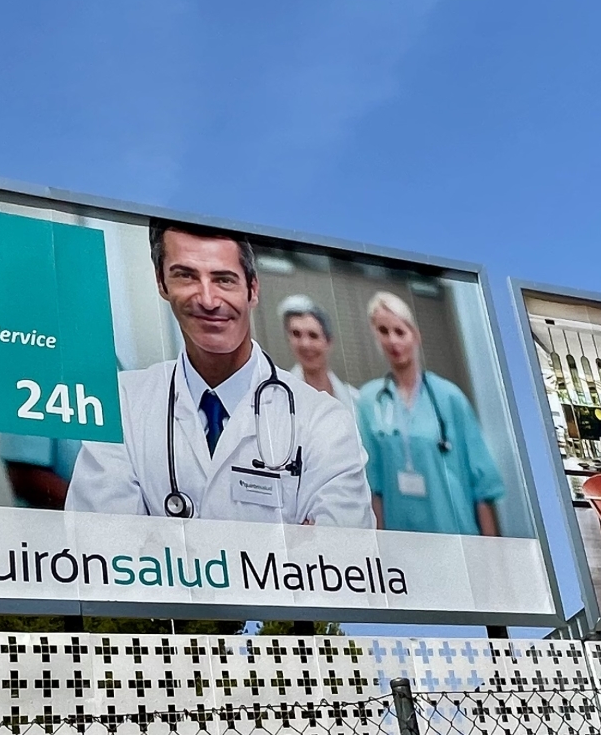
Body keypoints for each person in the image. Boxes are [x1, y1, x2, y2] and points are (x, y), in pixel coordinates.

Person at [64, 221, 372, 526]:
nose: (208, 300)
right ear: (161, 282)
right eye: (186, 276)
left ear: (253, 289)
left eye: (224, 280)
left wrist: (156, 540)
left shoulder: (325, 420)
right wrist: (288, 545)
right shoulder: (121, 405)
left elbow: (342, 553)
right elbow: (101, 546)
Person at [355, 291, 505, 536]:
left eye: (400, 331)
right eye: (383, 331)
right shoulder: (369, 401)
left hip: (454, 533)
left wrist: (491, 552)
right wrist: (378, 548)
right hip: (400, 538)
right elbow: (373, 487)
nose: (392, 340)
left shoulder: (449, 397)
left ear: (415, 335)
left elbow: (483, 487)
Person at [277, 294, 358, 416]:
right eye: (296, 334)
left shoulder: (354, 400)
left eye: (313, 335)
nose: (305, 344)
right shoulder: (278, 399)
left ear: (329, 342)